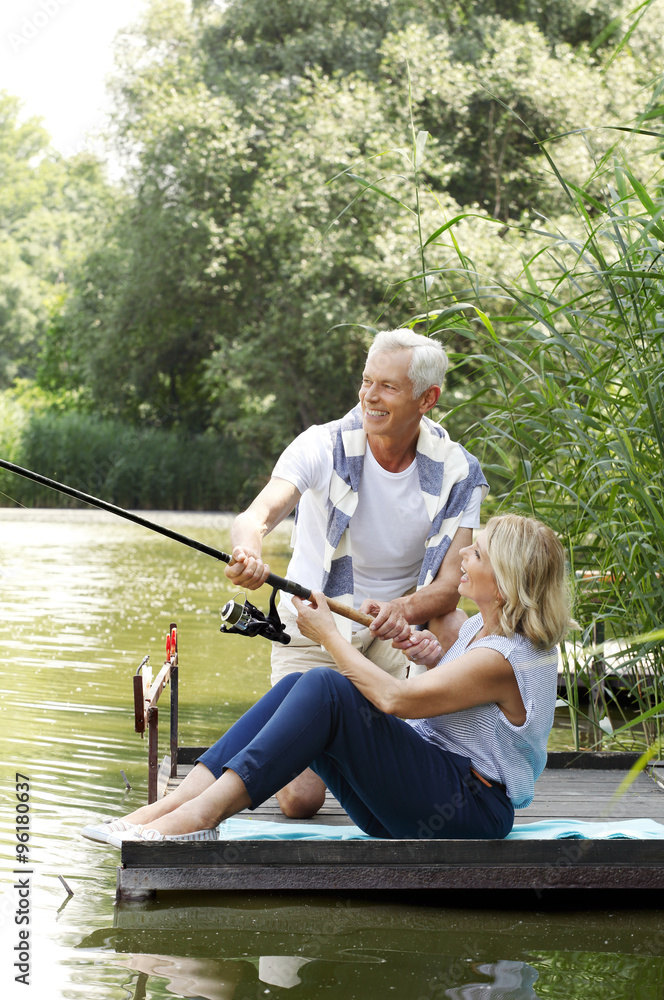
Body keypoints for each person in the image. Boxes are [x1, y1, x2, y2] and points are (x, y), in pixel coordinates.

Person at [81, 513, 571, 847]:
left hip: (467, 812)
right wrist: (428, 659)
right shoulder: (479, 632)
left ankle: (198, 820)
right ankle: (169, 808)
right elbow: (465, 711)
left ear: (505, 583)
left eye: (477, 555)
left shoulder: (506, 656)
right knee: (302, 687)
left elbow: (396, 700)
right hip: (424, 803)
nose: (463, 558)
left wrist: (327, 634)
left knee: (326, 686)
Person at [223, 327, 489, 818]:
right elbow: (255, 518)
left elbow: (452, 586)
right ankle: (321, 726)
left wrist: (400, 610)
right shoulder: (320, 445)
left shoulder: (459, 471)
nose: (370, 395)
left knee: (452, 627)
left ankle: (441, 759)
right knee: (300, 800)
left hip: (395, 633)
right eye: (367, 381)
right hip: (316, 629)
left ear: (427, 398)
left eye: (388, 386)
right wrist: (248, 553)